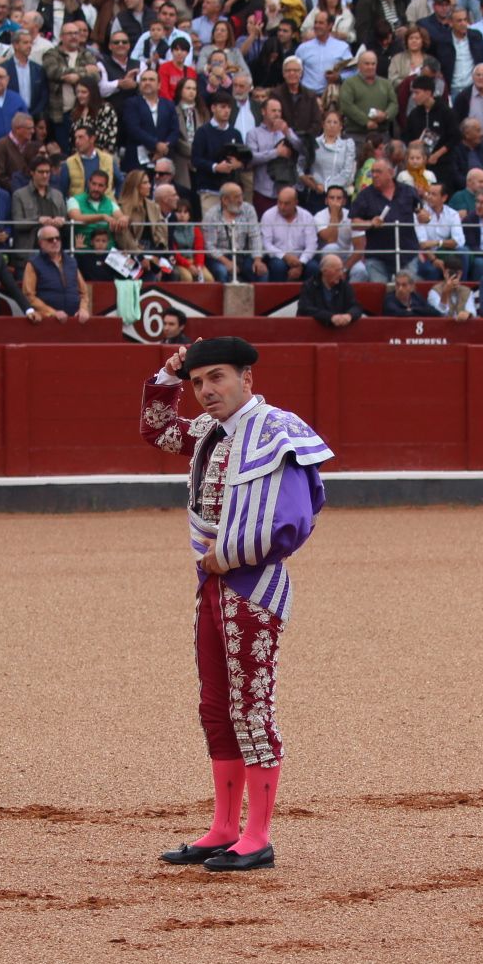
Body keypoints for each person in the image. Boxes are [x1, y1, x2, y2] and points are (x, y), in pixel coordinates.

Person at [141, 337, 333, 872]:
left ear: (247, 379)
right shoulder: (208, 432)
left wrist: (229, 555)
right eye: (198, 382)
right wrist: (166, 376)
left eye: (217, 378)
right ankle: (224, 827)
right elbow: (158, 430)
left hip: (251, 588)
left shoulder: (278, 429)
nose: (205, 392)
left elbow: (294, 519)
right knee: (216, 707)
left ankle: (258, 834)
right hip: (210, 586)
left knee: (252, 707)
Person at [296, 251, 363, 326]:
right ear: (324, 271)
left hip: (340, 332)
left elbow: (356, 307)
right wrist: (330, 317)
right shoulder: (310, 285)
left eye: (341, 270)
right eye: (337, 270)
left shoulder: (344, 285)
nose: (341, 274)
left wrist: (349, 315)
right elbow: (305, 309)